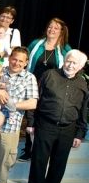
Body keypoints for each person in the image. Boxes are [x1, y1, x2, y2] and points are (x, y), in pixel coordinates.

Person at [27, 49, 88, 183]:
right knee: (39, 163)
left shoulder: (82, 83)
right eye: (69, 61)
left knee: (58, 166)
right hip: (45, 126)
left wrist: (80, 133)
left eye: (75, 63)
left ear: (80, 67)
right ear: (64, 61)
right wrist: (31, 122)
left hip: (68, 129)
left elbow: (83, 109)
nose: (70, 65)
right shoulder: (49, 75)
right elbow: (35, 99)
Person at [0, 47, 38, 183]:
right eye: (14, 59)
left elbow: (33, 103)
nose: (16, 63)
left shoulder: (29, 78)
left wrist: (11, 105)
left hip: (10, 126)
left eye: (21, 61)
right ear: (10, 58)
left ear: (26, 63)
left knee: (5, 162)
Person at [21, 17, 71, 161]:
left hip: (53, 90)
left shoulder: (65, 49)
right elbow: (25, 60)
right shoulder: (36, 44)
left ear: (61, 31)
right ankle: (28, 149)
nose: (52, 30)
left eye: (56, 28)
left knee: (45, 119)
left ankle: (43, 150)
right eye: (50, 26)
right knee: (31, 117)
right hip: (33, 86)